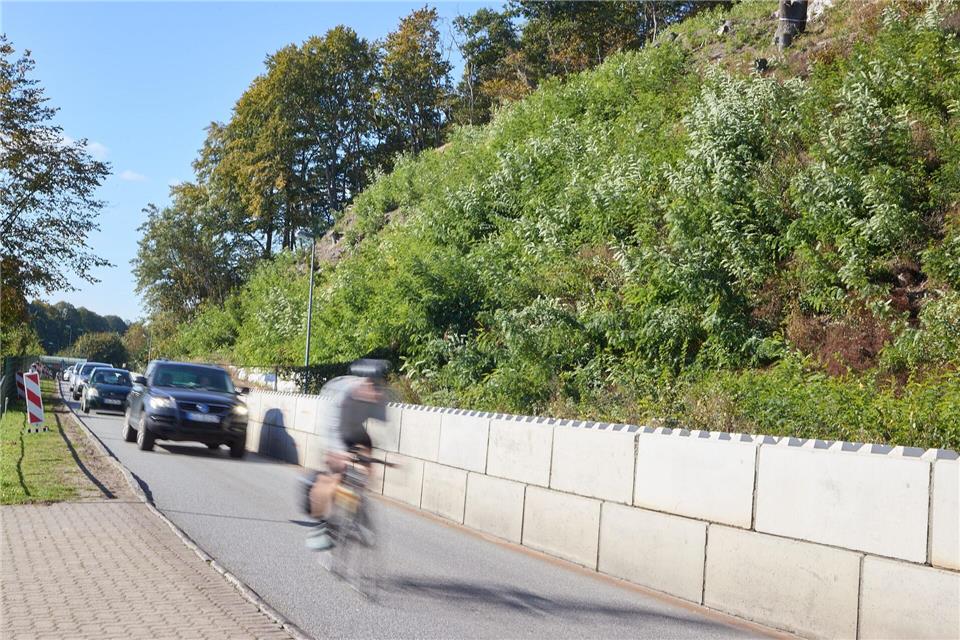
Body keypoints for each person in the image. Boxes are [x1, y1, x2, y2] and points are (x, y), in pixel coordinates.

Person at [303, 359, 389, 551]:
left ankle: (357, 507)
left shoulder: (379, 398)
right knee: (335, 473)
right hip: (334, 425)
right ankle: (320, 526)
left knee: (367, 461)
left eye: (377, 388)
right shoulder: (344, 394)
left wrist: (391, 459)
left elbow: (389, 432)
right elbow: (331, 429)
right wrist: (338, 453)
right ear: (363, 384)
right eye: (370, 387)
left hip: (355, 428)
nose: (374, 393)